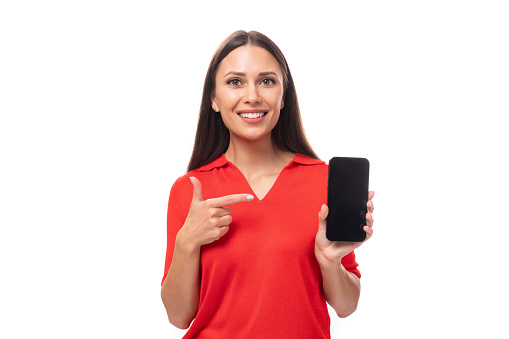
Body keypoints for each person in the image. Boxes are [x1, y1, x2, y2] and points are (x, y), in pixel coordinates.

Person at [160, 30, 375, 338]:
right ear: (214, 99)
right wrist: (187, 242)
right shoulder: (191, 189)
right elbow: (179, 316)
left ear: (283, 96)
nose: (253, 96)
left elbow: (346, 305)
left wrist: (330, 262)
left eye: (267, 81)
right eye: (235, 82)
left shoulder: (322, 180)